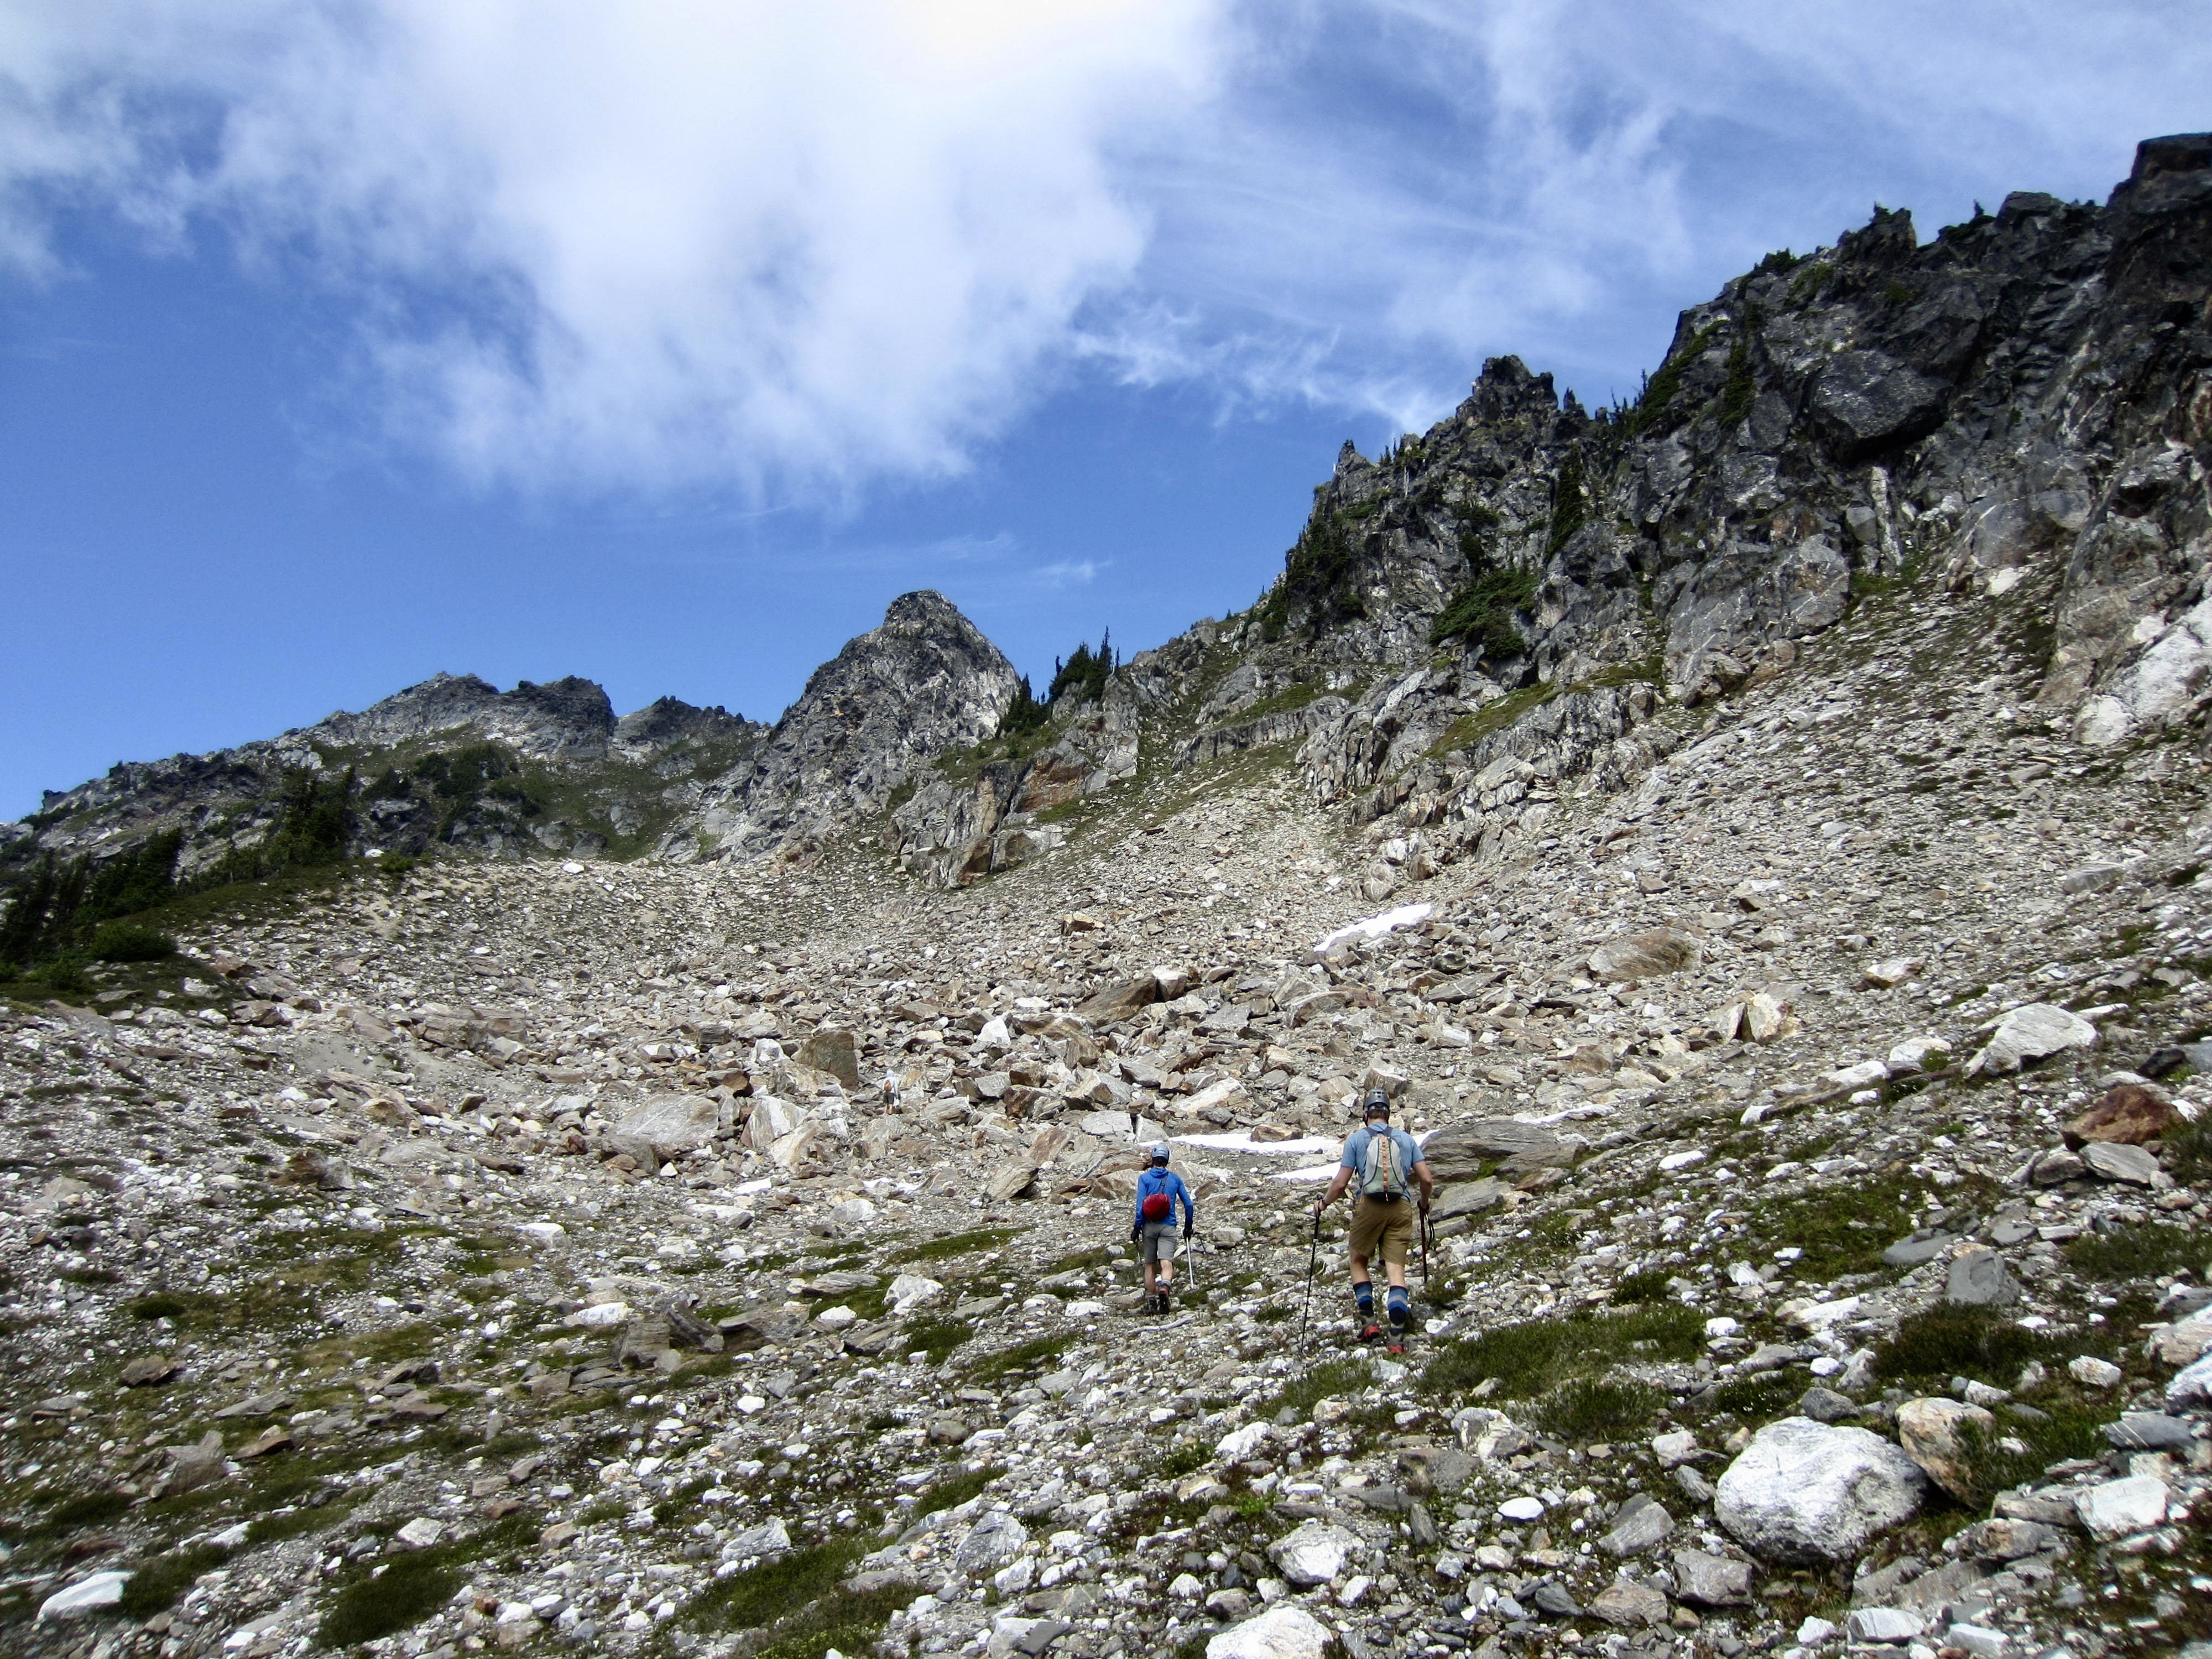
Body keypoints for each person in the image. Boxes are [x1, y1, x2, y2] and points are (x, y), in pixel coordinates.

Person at [1313, 1089, 1433, 1353]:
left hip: (1368, 1206)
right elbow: (1426, 1179)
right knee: (1396, 1271)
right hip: (1400, 1207)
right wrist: (1423, 1203)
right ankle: (1397, 1337)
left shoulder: (1357, 1140)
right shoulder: (1405, 1139)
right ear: (1388, 1114)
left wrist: (1323, 1204)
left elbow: (1340, 1184)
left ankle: (1369, 1323)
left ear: (1366, 1114)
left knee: (1358, 1260)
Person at [1131, 1142, 1196, 1314]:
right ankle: (1165, 1287)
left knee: (1150, 1265)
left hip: (1149, 1227)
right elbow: (1189, 1205)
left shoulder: (1144, 1179)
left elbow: (1140, 1207)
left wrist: (1137, 1227)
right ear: (1167, 1160)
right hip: (1168, 1227)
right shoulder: (1175, 1179)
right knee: (1167, 1262)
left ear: (1153, 1159)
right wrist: (1188, 1227)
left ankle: (1152, 1303)